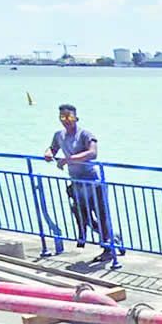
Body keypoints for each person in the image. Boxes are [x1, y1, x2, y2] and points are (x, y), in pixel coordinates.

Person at [44, 103, 122, 264]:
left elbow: (93, 153)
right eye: (63, 117)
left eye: (69, 117)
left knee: (101, 215)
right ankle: (113, 239)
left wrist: (69, 159)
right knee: (83, 216)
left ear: (76, 118)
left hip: (93, 182)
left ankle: (109, 249)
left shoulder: (85, 134)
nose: (66, 120)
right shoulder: (59, 135)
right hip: (77, 183)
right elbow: (53, 148)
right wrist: (48, 153)